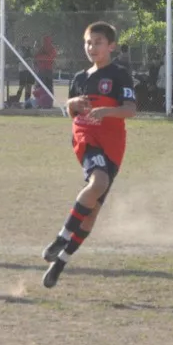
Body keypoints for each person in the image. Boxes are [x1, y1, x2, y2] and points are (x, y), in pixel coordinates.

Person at [41, 22, 137, 289]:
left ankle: (60, 262)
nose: (91, 47)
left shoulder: (119, 75)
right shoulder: (80, 78)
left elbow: (130, 109)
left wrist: (107, 112)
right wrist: (70, 104)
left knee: (92, 212)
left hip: (113, 143)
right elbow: (71, 112)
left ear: (111, 46)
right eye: (88, 43)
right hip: (86, 137)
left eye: (97, 42)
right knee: (99, 183)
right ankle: (61, 237)